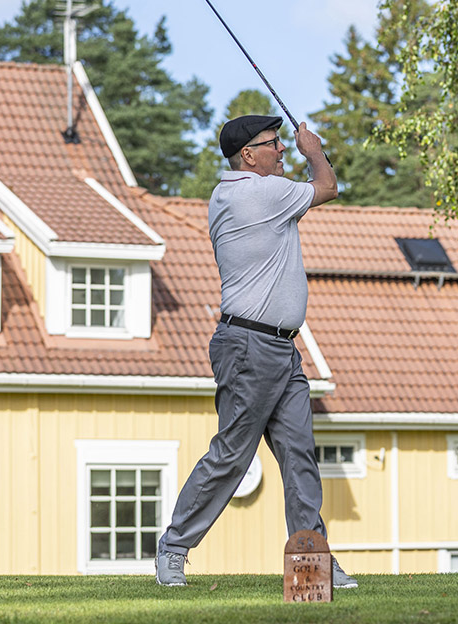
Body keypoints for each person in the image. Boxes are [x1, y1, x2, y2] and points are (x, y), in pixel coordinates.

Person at [155, 115, 356, 588]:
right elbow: (328, 186)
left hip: (281, 348)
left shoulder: (241, 193)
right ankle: (173, 548)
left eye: (284, 142)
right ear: (248, 155)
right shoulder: (257, 193)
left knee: (299, 455)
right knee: (232, 455)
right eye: (274, 143)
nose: (283, 149)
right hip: (250, 346)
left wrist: (305, 154)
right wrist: (313, 149)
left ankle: (312, 559)